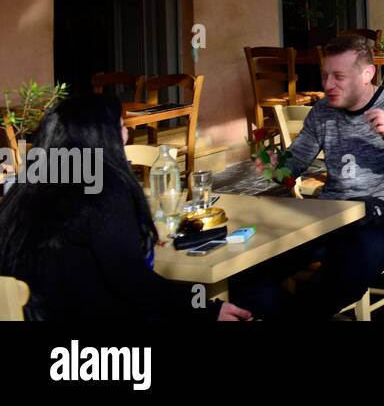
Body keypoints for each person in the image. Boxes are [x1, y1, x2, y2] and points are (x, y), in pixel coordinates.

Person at [231, 34, 384, 319]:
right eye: (324, 75)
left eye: (338, 76)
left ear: (367, 74)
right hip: (330, 213)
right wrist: (275, 168)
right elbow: (294, 165)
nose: (328, 85)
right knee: (251, 269)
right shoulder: (323, 111)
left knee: (336, 279)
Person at [0, 94, 254, 321]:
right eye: (120, 127)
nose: (127, 135)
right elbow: (132, 282)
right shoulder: (104, 193)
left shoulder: (24, 192)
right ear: (100, 137)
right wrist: (206, 309)